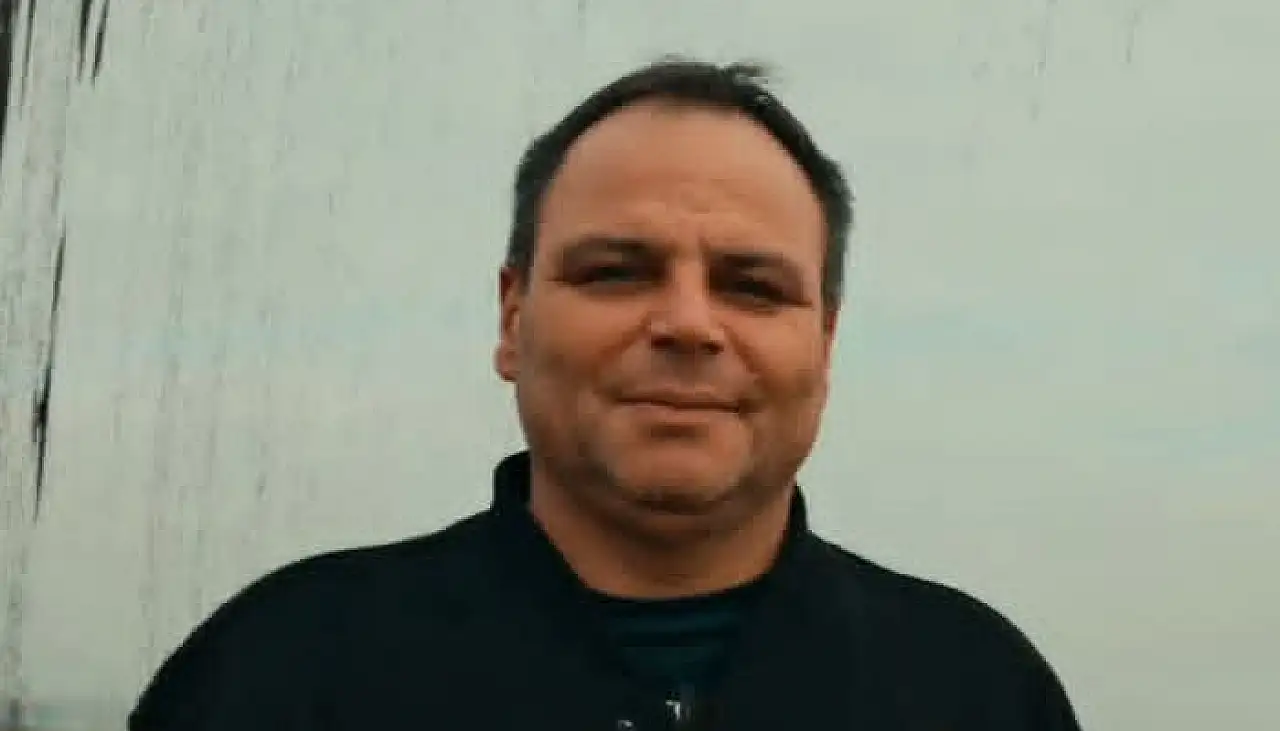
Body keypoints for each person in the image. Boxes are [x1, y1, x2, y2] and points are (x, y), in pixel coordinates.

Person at [128, 57, 1083, 730]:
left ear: (825, 345)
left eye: (753, 286)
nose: (689, 324)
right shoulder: (276, 673)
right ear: (513, 319)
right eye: (617, 272)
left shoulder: (982, 692)